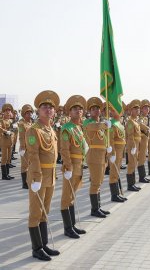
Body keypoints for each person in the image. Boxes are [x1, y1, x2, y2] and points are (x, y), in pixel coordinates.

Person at [26, 90, 60, 261]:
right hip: (38, 177)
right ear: (38, 111)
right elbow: (33, 155)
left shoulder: (50, 129)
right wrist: (37, 177)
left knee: (45, 211)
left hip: (51, 175)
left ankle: (44, 244)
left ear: (54, 111)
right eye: (44, 107)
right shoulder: (34, 130)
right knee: (35, 212)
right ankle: (36, 248)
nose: (48, 110)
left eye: (51, 108)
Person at [60, 95, 87, 239]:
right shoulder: (67, 128)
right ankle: (67, 228)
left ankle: (72, 225)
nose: (78, 111)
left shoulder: (78, 127)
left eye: (80, 109)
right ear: (69, 113)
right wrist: (68, 167)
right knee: (66, 197)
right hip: (71, 167)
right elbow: (64, 150)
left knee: (72, 196)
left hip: (79, 165)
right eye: (75, 109)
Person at [83, 97, 111, 218]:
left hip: (102, 156)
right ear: (89, 111)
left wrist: (107, 148)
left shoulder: (101, 125)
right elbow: (94, 126)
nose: (96, 111)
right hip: (94, 156)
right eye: (93, 109)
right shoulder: (88, 122)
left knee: (99, 182)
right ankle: (94, 209)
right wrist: (104, 124)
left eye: (98, 109)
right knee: (95, 183)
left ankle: (98, 206)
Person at [109, 107, 127, 202]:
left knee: (117, 172)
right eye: (116, 109)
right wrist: (112, 153)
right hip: (115, 151)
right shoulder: (112, 124)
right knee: (113, 173)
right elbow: (111, 140)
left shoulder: (119, 123)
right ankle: (114, 195)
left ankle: (117, 193)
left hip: (120, 151)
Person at [125, 99, 141, 191]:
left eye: (138, 109)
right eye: (135, 109)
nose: (137, 110)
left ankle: (133, 183)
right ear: (131, 110)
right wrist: (133, 147)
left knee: (134, 163)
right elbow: (130, 136)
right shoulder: (130, 121)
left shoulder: (135, 121)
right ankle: (130, 185)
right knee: (131, 164)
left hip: (136, 145)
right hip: (132, 145)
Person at [18, 104, 34, 189]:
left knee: (30, 164)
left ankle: (29, 180)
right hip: (25, 147)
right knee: (25, 165)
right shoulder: (22, 124)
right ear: (24, 114)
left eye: (30, 112)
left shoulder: (31, 122)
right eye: (27, 113)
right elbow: (21, 136)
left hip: (31, 146)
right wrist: (22, 147)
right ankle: (24, 183)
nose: (29, 114)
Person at [138, 99, 150, 183]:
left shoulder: (147, 118)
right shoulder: (140, 118)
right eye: (145, 108)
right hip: (142, 139)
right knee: (141, 157)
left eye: (148, 108)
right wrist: (147, 128)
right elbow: (140, 124)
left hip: (146, 139)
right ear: (142, 109)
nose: (147, 109)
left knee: (143, 158)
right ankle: (141, 177)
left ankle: (143, 176)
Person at [0, 103, 15, 180]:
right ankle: (4, 175)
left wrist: (14, 128)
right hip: (4, 141)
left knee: (9, 158)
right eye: (6, 111)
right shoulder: (1, 121)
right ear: (3, 112)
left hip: (10, 141)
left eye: (9, 111)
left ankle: (7, 174)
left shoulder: (11, 121)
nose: (8, 112)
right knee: (4, 158)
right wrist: (6, 131)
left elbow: (13, 130)